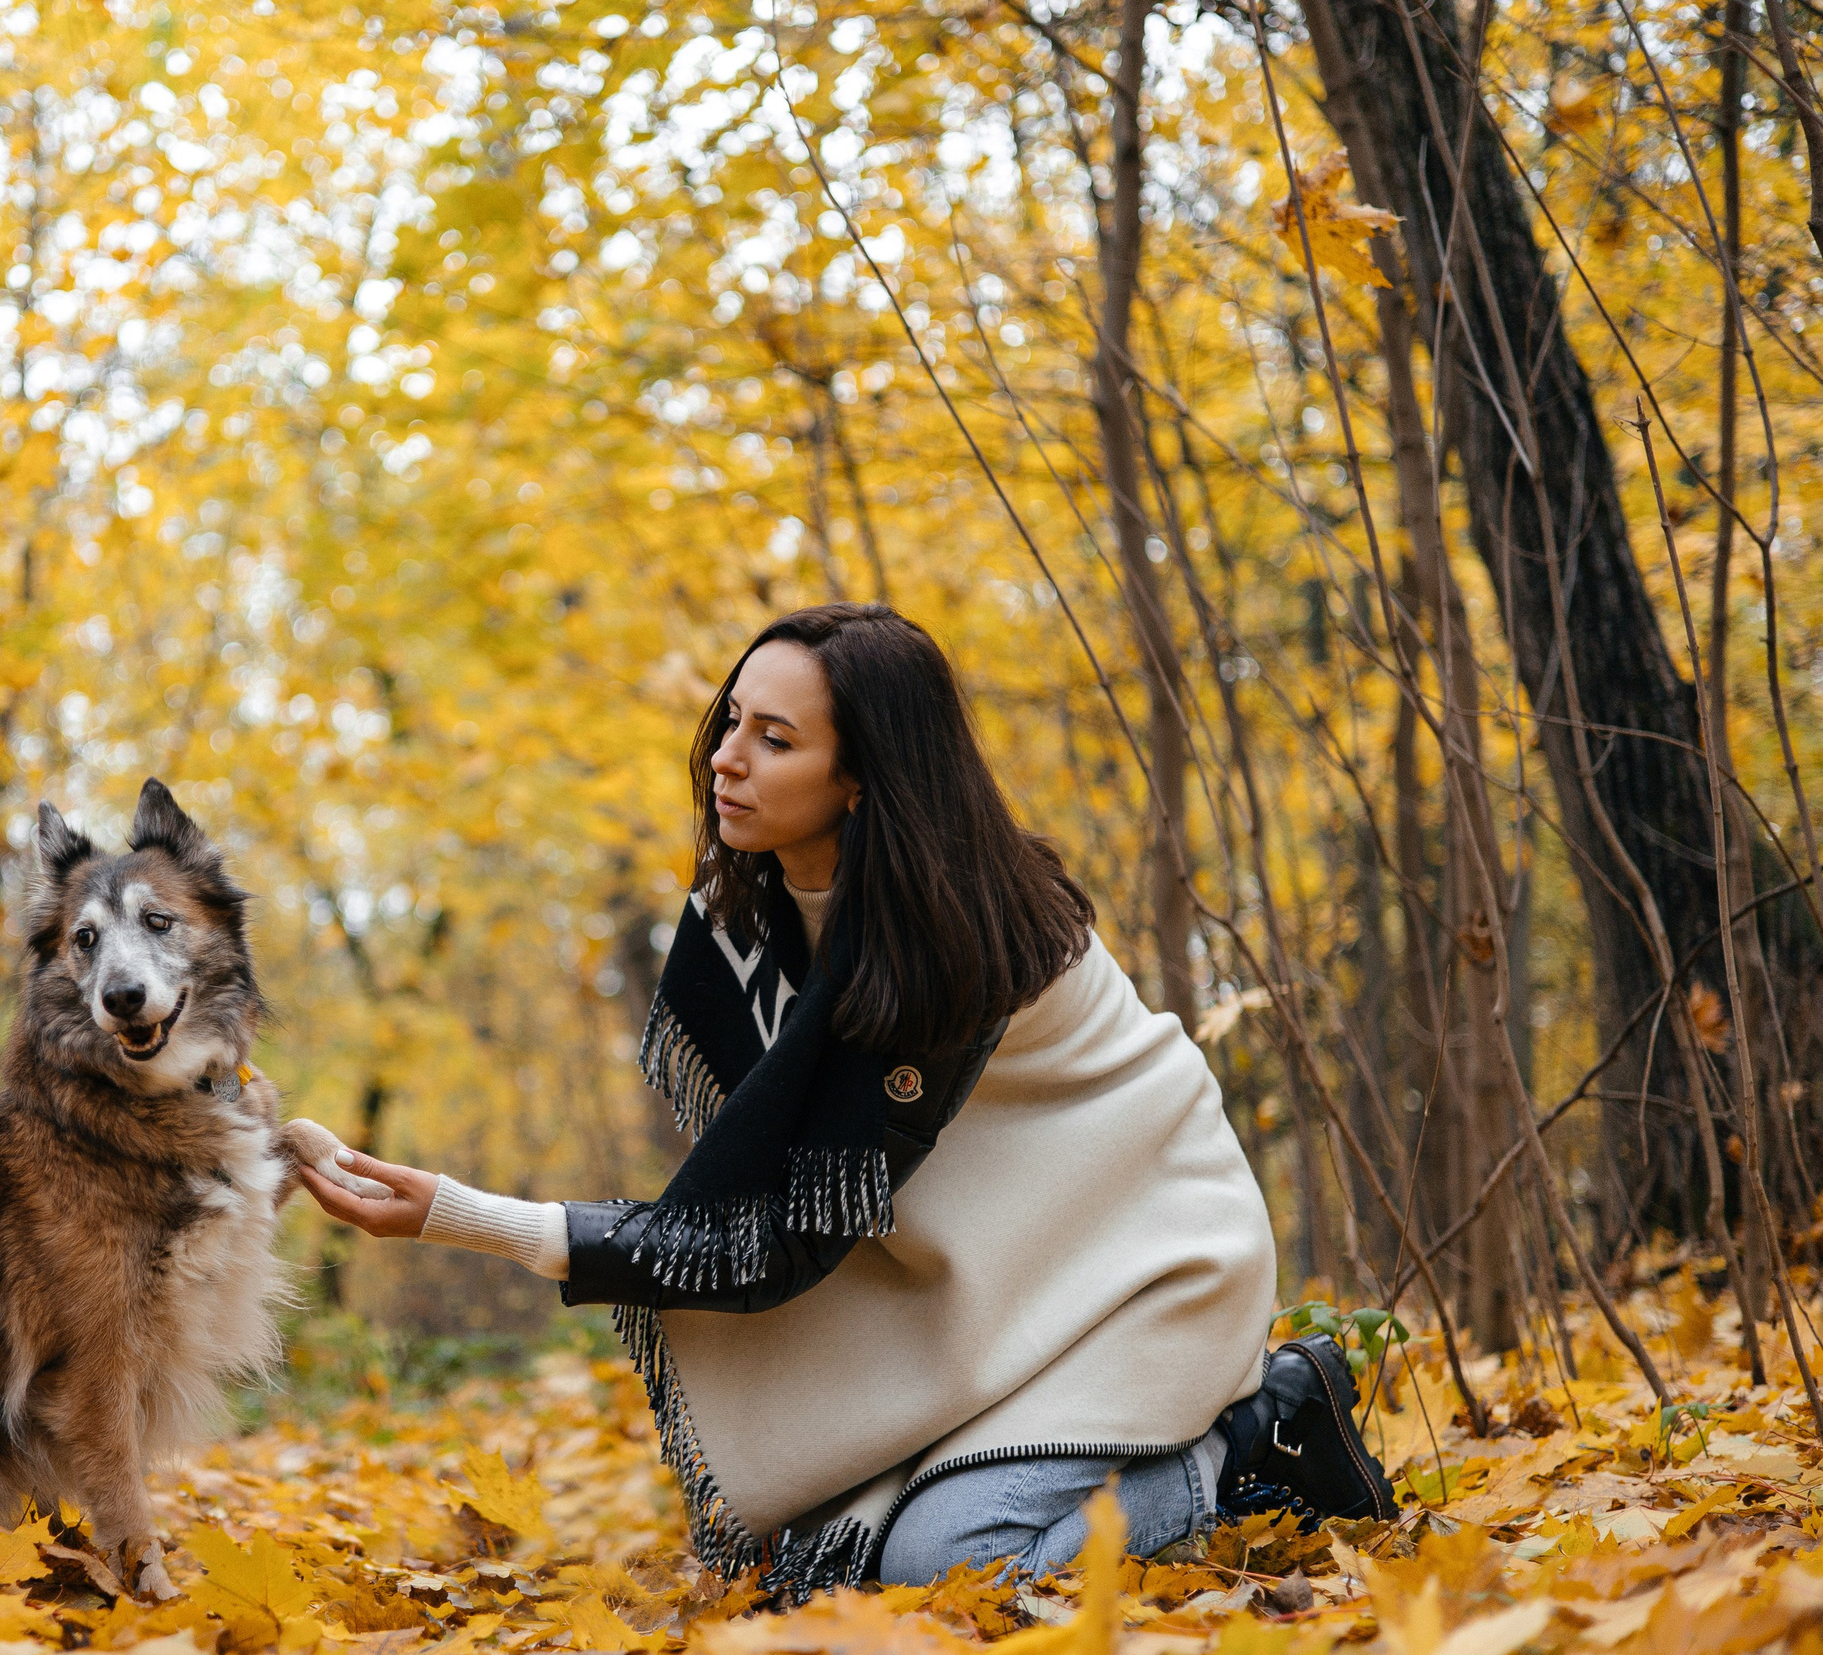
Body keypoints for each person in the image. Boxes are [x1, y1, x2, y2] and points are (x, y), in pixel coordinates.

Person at [299, 603, 1394, 1599]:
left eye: (775, 741)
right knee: (824, 1563)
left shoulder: (955, 941)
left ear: (863, 776)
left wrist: (463, 1215)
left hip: (1149, 1272)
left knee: (943, 1566)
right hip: (1011, 1277)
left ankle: (1253, 1439)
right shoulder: (754, 901)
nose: (726, 759)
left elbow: (782, 1233)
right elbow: (770, 1170)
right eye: (732, 721)